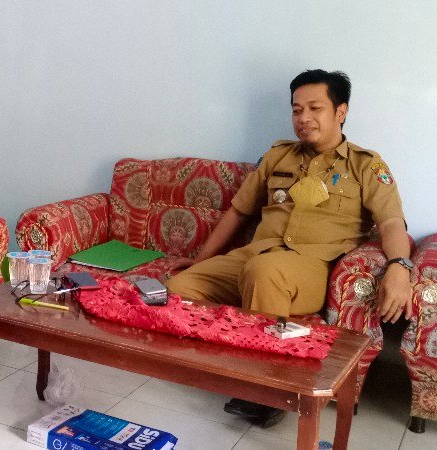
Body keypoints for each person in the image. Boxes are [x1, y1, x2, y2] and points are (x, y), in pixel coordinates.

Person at [165, 69, 412, 427]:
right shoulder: (278, 156)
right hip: (253, 257)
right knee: (176, 289)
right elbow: (238, 211)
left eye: (315, 108)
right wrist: (200, 261)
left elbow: (391, 223)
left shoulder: (365, 165)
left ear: (340, 111)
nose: (303, 118)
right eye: (297, 110)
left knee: (265, 272)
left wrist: (399, 266)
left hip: (309, 267)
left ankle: (268, 393)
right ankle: (216, 365)